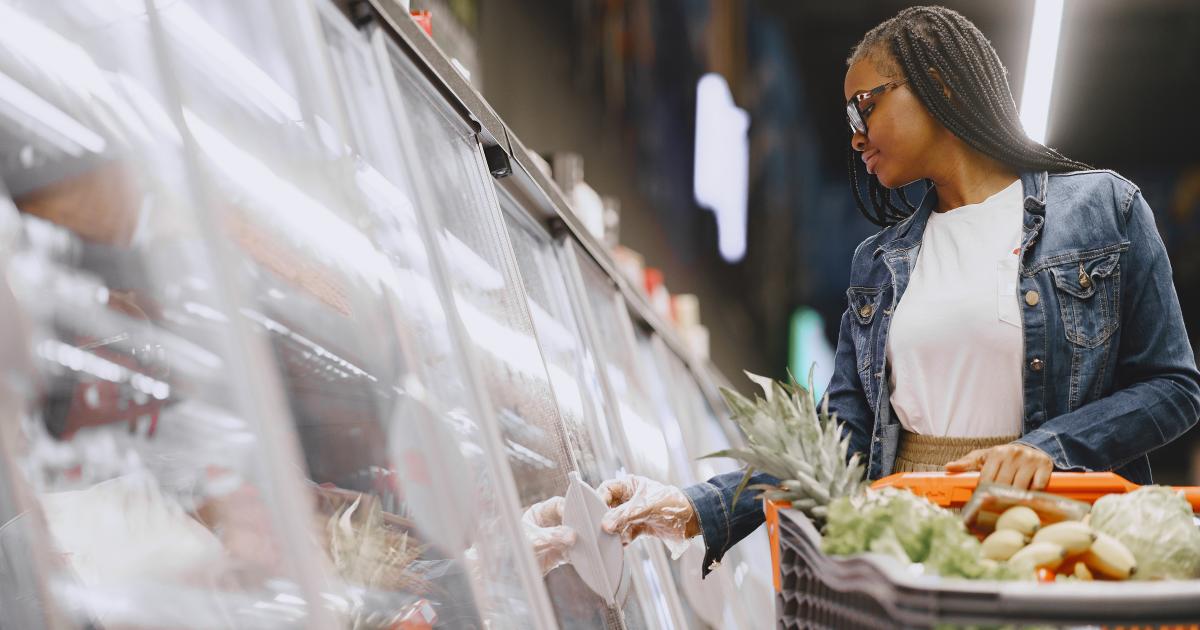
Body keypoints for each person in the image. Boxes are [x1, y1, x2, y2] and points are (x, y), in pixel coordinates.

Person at [596, 5, 1200, 577]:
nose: (855, 137)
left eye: (865, 107)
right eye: (849, 119)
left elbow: (1174, 386)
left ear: (936, 83)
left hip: (1053, 538)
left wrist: (1052, 447)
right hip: (911, 548)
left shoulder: (1104, 211)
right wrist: (694, 505)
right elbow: (840, 439)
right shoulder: (878, 264)